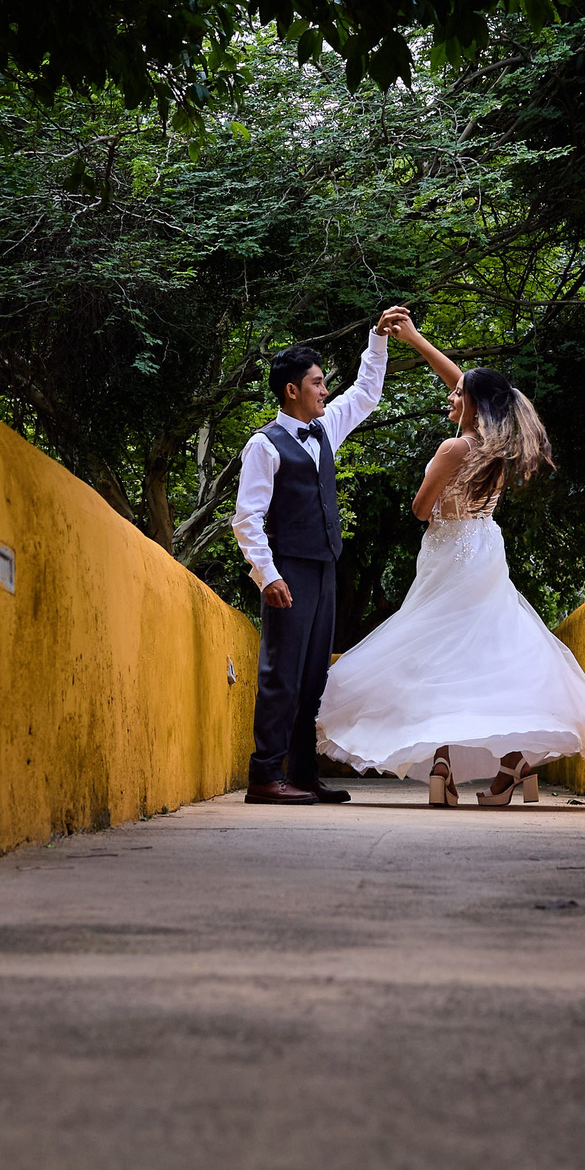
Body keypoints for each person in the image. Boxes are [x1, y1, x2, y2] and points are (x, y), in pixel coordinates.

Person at [316, 315, 585, 806]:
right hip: (484, 549)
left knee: (437, 654)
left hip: (446, 549)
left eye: (459, 395)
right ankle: (516, 762)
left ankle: (442, 764)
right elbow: (469, 386)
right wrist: (414, 339)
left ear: (472, 405)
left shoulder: (453, 447)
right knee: (486, 652)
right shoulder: (501, 445)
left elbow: (418, 510)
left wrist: (437, 491)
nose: (451, 395)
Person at [227, 309, 408, 803]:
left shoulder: (326, 430)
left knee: (312, 677)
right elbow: (247, 517)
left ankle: (303, 774)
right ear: (292, 391)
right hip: (289, 572)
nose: (326, 390)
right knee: (281, 674)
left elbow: (366, 393)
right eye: (318, 382)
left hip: (325, 567)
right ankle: (265, 776)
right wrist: (267, 575)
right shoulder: (264, 445)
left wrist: (377, 339)